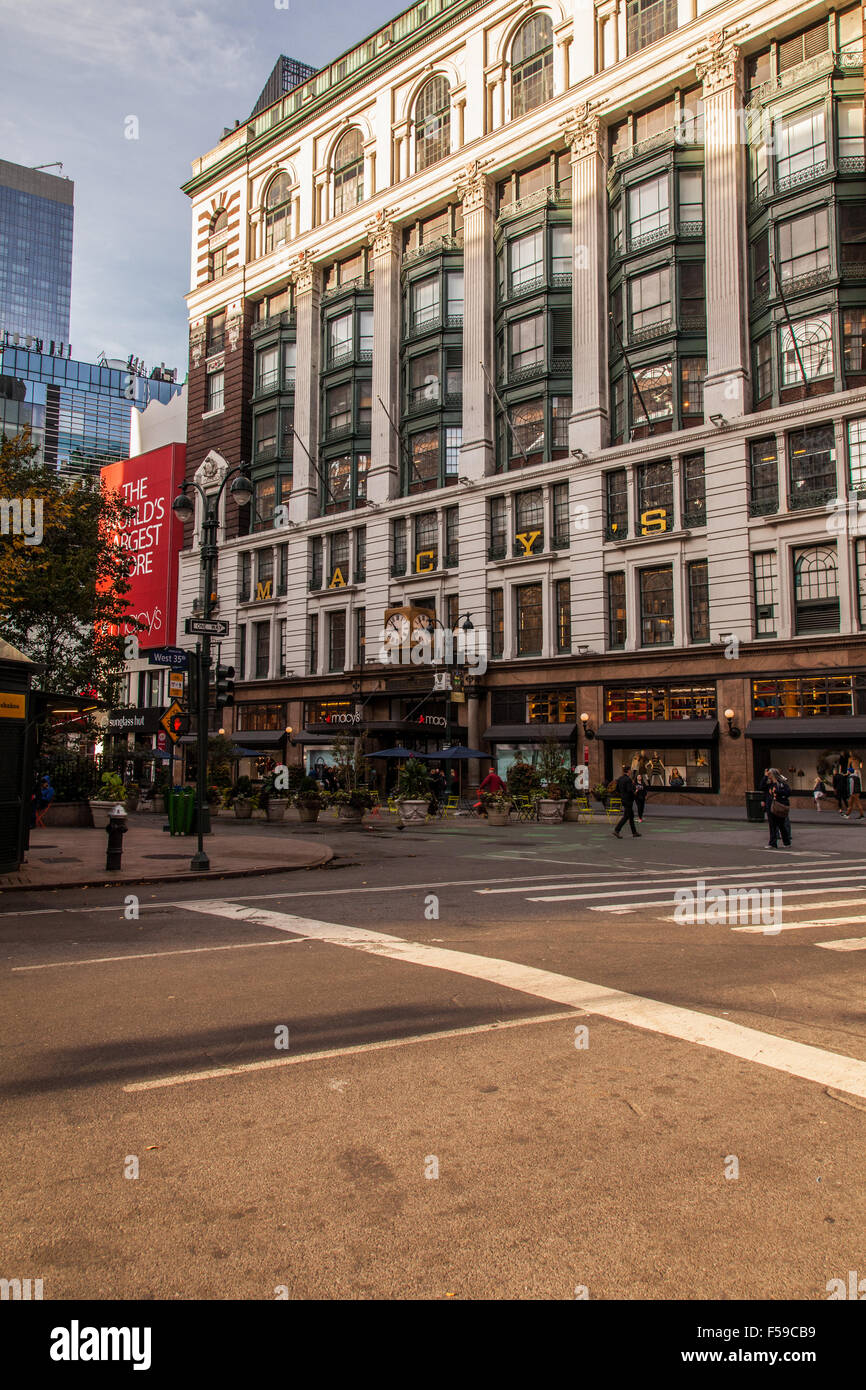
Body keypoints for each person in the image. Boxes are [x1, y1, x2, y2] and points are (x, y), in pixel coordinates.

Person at [612, 765, 641, 839]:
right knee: (626, 816)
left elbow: (617, 789)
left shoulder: (620, 779)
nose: (631, 771)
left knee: (631, 816)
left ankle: (634, 832)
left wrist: (622, 794)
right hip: (628, 800)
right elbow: (629, 790)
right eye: (630, 770)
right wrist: (635, 792)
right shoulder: (628, 779)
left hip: (623, 799)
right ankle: (617, 830)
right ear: (628, 771)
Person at [765, 768, 791, 848]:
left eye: (769, 773)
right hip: (771, 806)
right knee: (772, 825)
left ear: (773, 774)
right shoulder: (769, 784)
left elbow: (788, 792)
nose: (768, 775)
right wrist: (764, 776)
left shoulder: (781, 783)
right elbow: (761, 786)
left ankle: (786, 842)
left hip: (779, 805)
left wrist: (778, 792)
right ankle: (773, 843)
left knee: (781, 825)